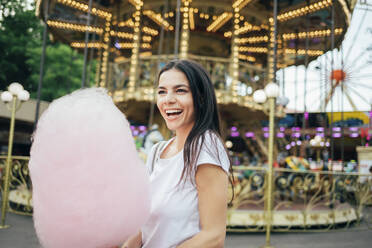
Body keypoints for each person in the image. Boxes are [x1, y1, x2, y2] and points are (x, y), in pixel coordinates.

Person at [122, 59, 232, 248]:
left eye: (180, 90)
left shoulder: (206, 147)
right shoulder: (157, 151)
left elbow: (213, 236)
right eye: (162, 91)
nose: (168, 99)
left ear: (201, 97)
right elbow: (144, 227)